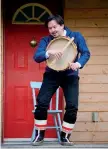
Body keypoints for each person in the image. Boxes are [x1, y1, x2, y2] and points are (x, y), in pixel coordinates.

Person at [32, 14, 90, 146]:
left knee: (72, 106)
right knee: (41, 102)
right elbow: (37, 57)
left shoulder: (76, 36)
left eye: (55, 27)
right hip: (52, 74)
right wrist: (48, 53)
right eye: (50, 28)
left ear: (62, 25)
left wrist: (78, 64)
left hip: (70, 75)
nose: (52, 30)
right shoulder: (46, 40)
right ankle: (39, 135)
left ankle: (65, 136)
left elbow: (86, 53)